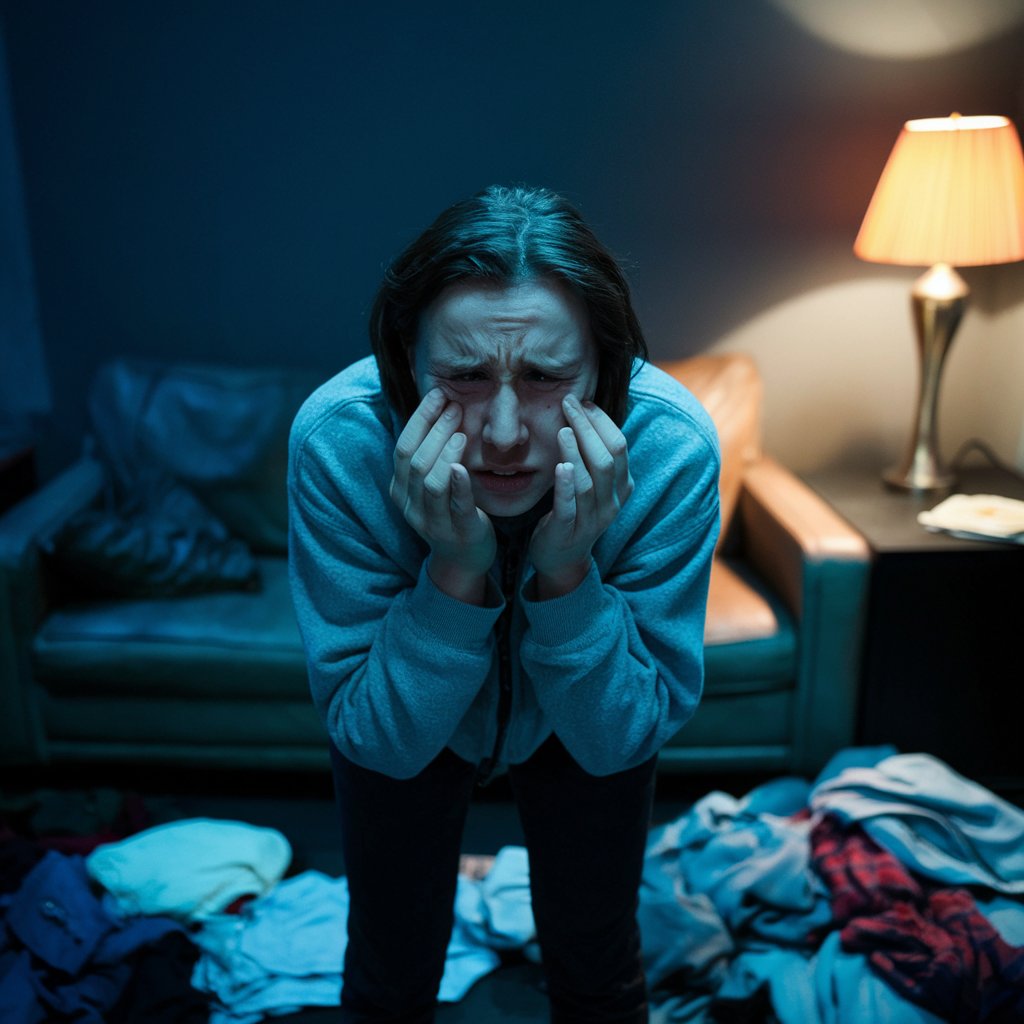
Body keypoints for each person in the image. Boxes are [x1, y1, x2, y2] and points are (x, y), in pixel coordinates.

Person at [287, 184, 720, 1023]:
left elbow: (622, 737)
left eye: (549, 377)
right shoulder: (341, 441)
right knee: (388, 963)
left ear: (605, 364)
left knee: (598, 960)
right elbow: (376, 738)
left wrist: (568, 573)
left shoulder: (670, 447)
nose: (506, 433)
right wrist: (455, 569)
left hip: (580, 714)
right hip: (408, 698)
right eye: (463, 377)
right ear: (404, 360)